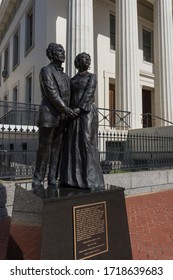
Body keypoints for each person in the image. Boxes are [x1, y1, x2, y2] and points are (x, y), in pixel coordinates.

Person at [32, 43, 77, 197]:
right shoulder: (46, 71)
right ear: (51, 54)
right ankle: (38, 178)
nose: (62, 53)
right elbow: (51, 92)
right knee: (44, 148)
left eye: (63, 50)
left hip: (62, 118)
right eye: (59, 51)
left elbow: (70, 96)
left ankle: (52, 178)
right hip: (49, 115)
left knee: (57, 148)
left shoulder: (66, 76)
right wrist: (66, 109)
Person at [60, 52, 105, 191]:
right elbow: (67, 96)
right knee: (72, 145)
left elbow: (89, 94)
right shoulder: (71, 80)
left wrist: (79, 110)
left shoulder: (92, 77)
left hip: (86, 113)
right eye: (83, 58)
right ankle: (72, 179)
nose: (86, 60)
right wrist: (67, 111)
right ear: (77, 62)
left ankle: (90, 180)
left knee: (87, 143)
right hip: (73, 115)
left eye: (88, 59)